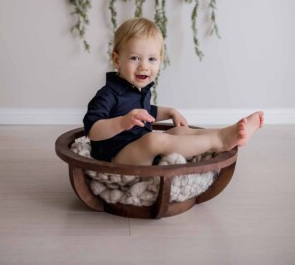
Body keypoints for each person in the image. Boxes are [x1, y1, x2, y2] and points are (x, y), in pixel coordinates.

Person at [83, 17, 264, 166]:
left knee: (178, 132)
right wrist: (122, 122)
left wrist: (170, 111)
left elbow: (149, 112)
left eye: (152, 59)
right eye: (134, 58)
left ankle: (225, 133)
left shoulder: (139, 90)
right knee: (154, 140)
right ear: (117, 59)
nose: (144, 66)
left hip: (141, 148)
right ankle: (219, 141)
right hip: (116, 156)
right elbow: (92, 129)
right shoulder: (107, 94)